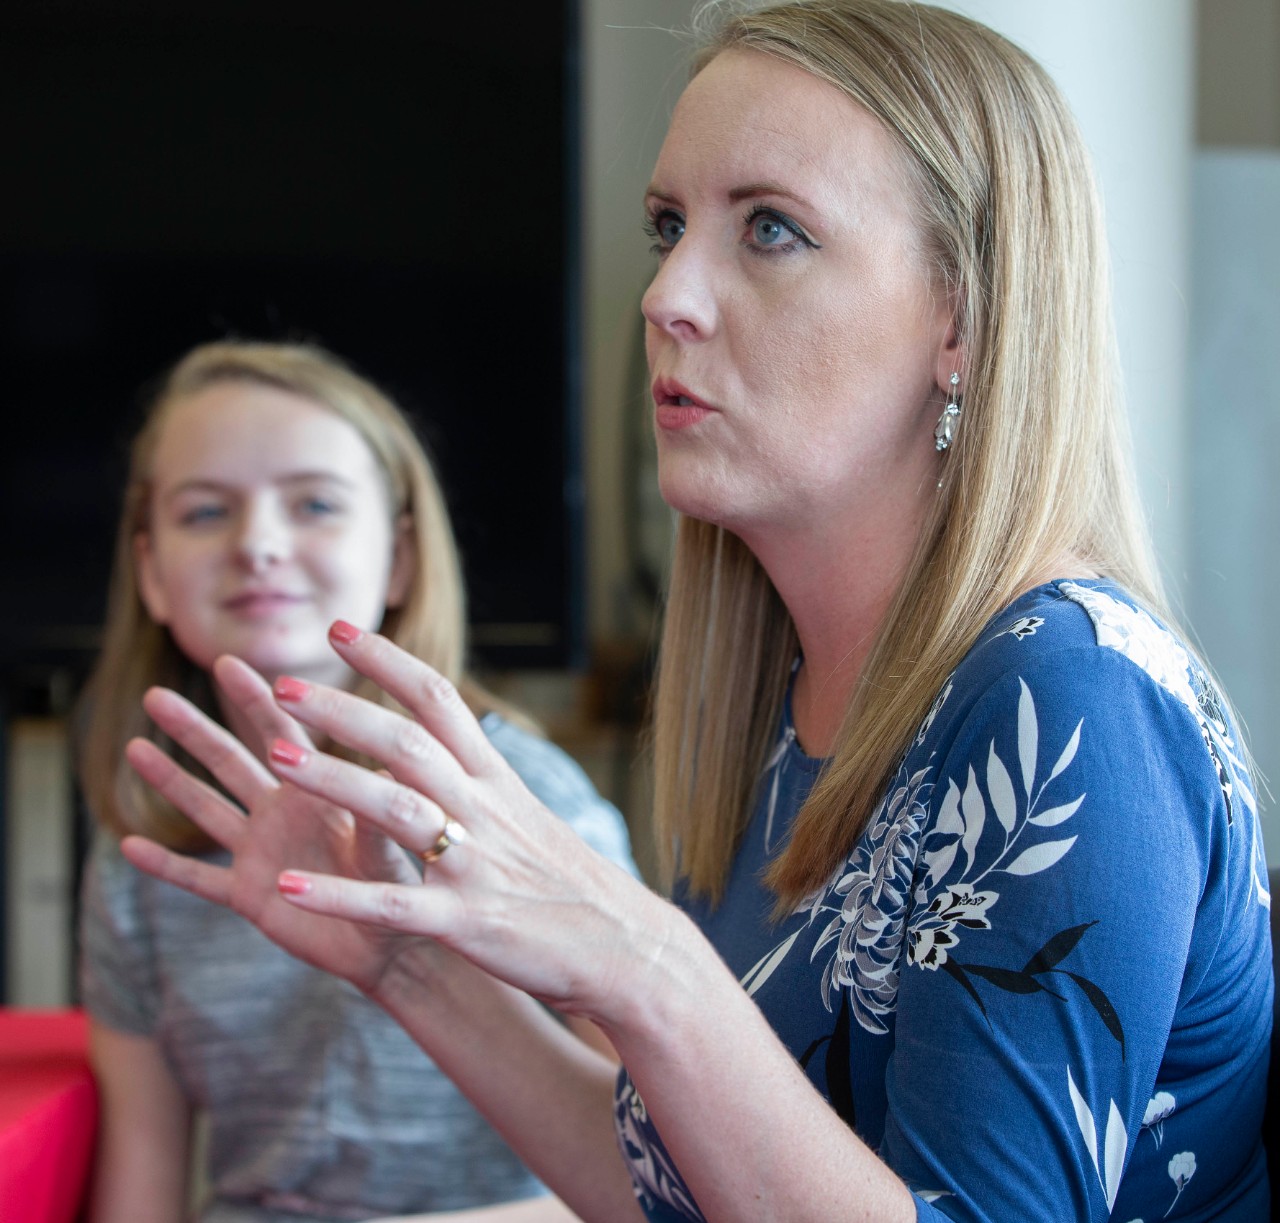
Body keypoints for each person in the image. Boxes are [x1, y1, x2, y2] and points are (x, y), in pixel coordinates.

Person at [117, 3, 1272, 1220]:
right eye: (667, 226)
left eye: (770, 229)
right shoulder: (786, 700)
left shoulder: (1070, 690)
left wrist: (643, 962)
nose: (665, 293)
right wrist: (409, 967)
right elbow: (682, 1192)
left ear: (961, 321)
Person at [75, 339, 639, 1223]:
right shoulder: (140, 849)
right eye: (206, 510)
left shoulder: (524, 796)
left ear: (400, 558)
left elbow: (663, 1174)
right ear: (150, 571)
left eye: (315, 503)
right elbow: (140, 1186)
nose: (258, 544)